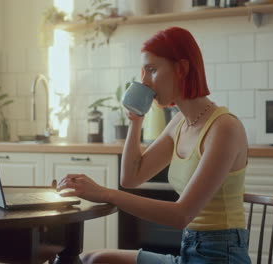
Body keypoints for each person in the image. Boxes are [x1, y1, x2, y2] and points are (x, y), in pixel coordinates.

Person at [57, 26, 251, 264]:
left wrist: (104, 193)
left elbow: (181, 215)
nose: (145, 82)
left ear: (182, 68)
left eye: (152, 70)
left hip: (220, 257)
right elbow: (131, 178)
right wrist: (136, 121)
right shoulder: (180, 122)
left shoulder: (224, 128)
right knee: (90, 259)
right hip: (188, 252)